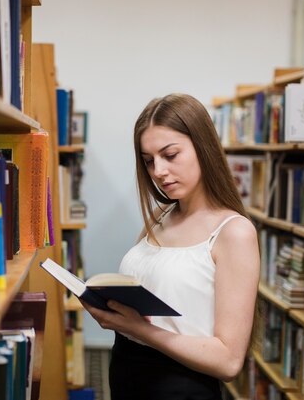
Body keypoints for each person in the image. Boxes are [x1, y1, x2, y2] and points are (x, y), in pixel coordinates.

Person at [82, 93, 260, 400]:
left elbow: (229, 361)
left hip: (179, 387)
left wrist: (139, 329)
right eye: (149, 160)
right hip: (127, 373)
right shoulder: (160, 214)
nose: (159, 171)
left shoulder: (234, 233)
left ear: (203, 148)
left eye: (170, 155)